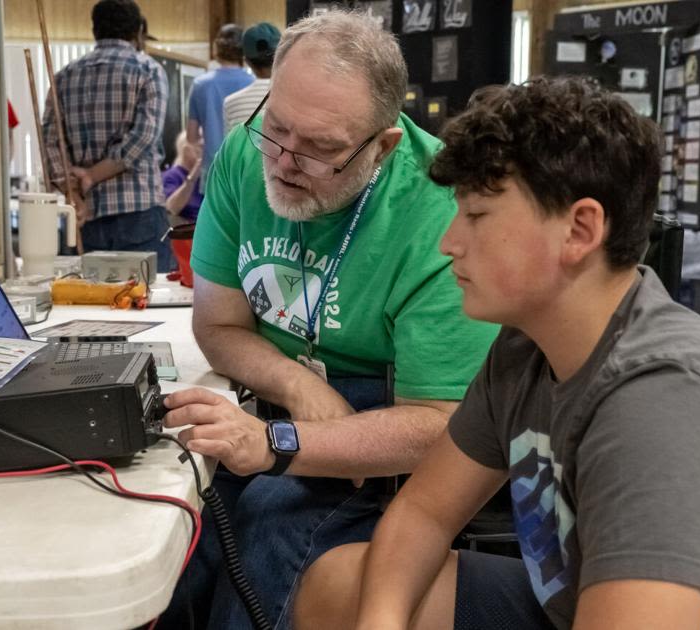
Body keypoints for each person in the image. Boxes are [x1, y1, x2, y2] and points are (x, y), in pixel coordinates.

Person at [293, 76, 700, 630]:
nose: (450, 243)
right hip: (581, 597)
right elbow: (424, 513)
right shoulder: (527, 343)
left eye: (477, 214)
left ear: (580, 231)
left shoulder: (660, 404)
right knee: (342, 585)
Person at [158, 9, 498, 630]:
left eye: (321, 150)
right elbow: (219, 324)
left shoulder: (441, 213)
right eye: (277, 128)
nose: (285, 161)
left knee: (267, 531)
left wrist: (280, 442)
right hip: (278, 390)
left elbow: (443, 428)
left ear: (384, 145)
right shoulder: (243, 154)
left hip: (396, 409)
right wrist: (299, 385)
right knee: (179, 521)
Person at [42, 0, 173, 271]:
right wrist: (92, 175)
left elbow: (50, 142)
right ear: (138, 31)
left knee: (91, 302)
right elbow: (143, 138)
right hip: (139, 210)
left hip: (83, 215)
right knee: (149, 302)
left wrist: (72, 189)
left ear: (94, 30)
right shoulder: (148, 70)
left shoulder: (63, 77)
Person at [187, 24, 253, 180]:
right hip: (245, 173)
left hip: (212, 173)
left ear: (216, 48)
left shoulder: (200, 85)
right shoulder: (253, 83)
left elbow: (191, 138)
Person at [161, 131, 203, 286]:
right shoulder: (172, 176)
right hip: (186, 241)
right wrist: (194, 174)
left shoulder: (207, 178)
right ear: (186, 149)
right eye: (199, 146)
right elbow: (172, 207)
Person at [223, 22, 279, 134]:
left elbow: (229, 148)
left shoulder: (231, 103)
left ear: (247, 61)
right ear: (281, 56)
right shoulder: (295, 97)